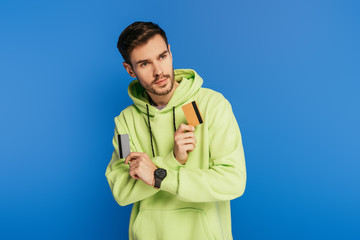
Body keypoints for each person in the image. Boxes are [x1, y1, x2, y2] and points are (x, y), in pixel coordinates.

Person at [105, 21, 247, 240]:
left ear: (170, 52)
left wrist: (159, 176)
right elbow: (122, 190)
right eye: (144, 64)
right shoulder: (125, 123)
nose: (158, 71)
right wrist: (172, 160)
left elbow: (233, 180)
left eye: (162, 57)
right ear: (130, 70)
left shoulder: (212, 106)